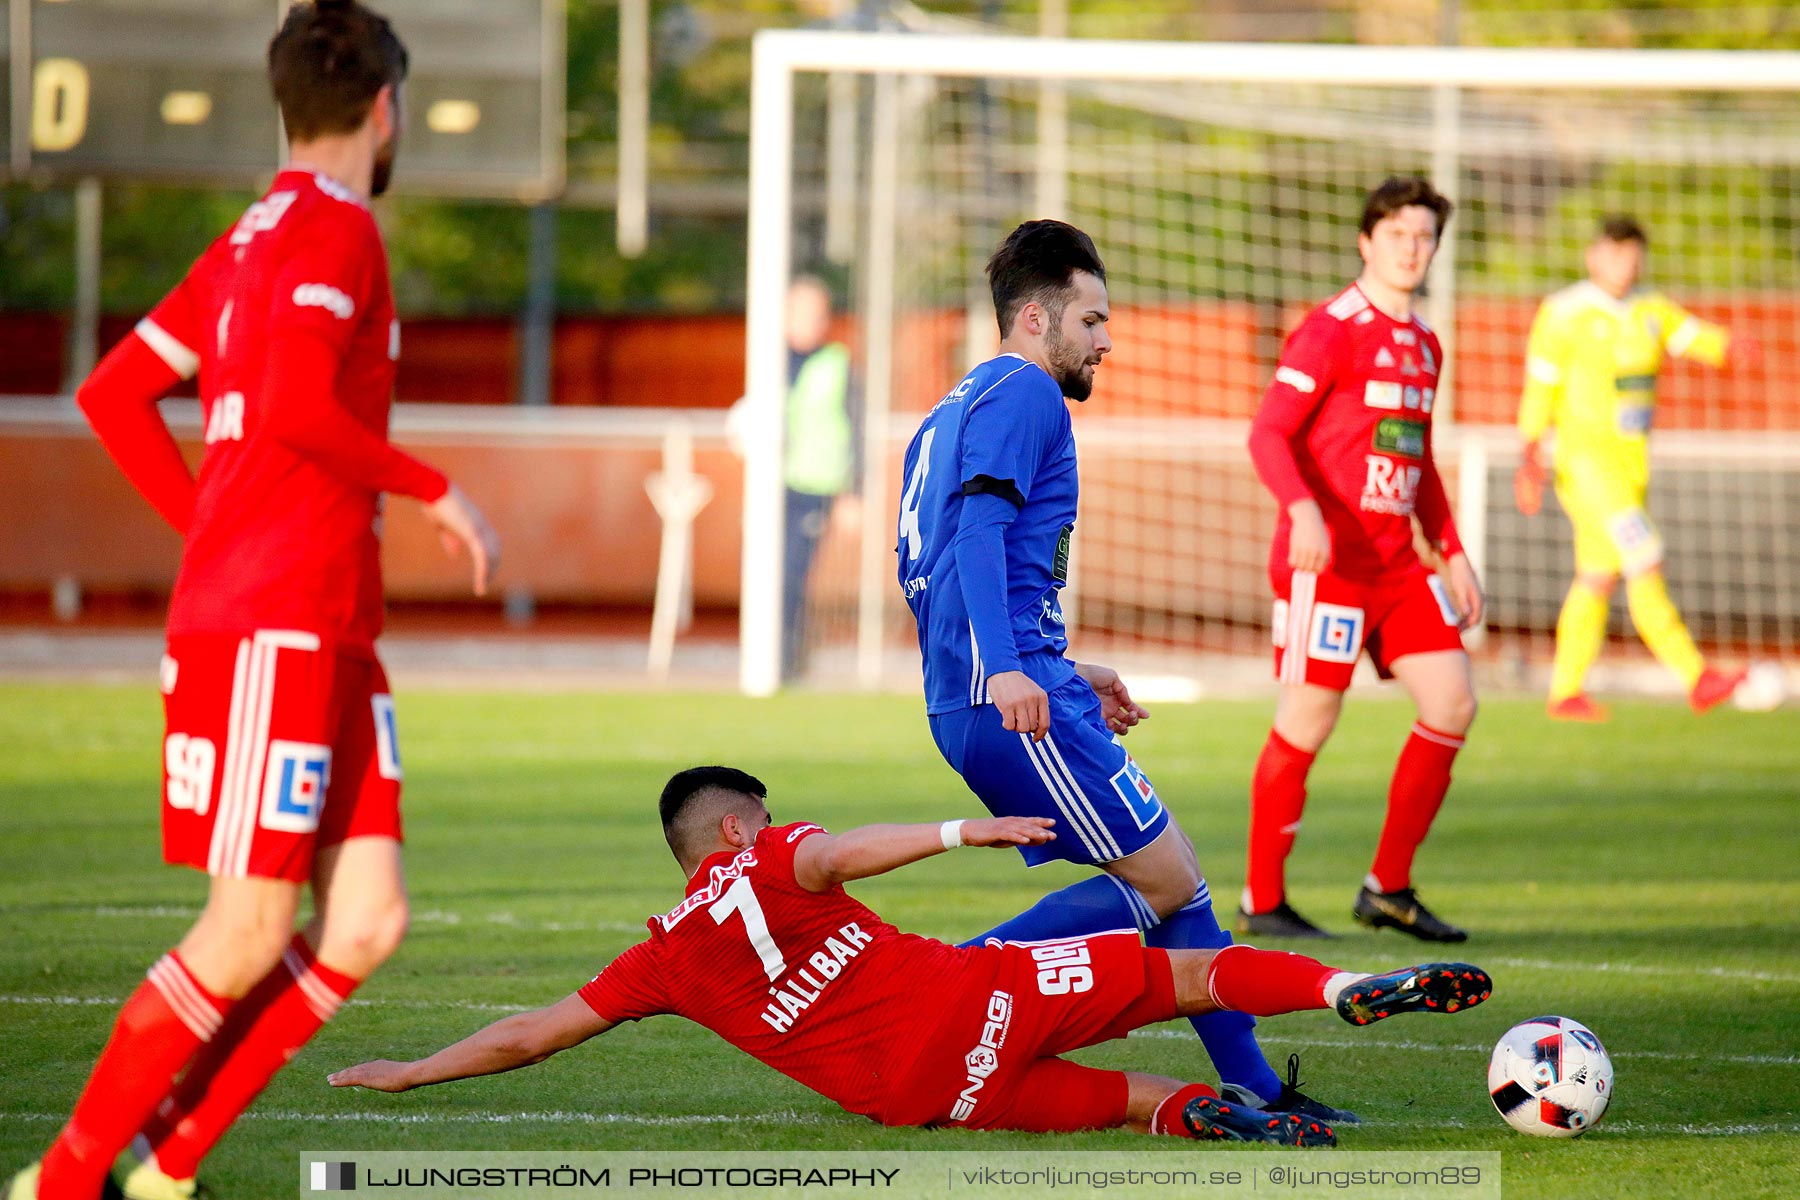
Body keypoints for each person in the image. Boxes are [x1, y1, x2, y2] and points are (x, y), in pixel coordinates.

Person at [7, 5, 500, 1199]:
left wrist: (209, 535)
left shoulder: (246, 237)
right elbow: (287, 406)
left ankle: (166, 1169)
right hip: (276, 619)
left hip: (313, 612)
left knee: (365, 920)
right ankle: (66, 1181)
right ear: (385, 111)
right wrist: (434, 486)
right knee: (244, 932)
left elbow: (117, 393)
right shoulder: (337, 231)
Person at [329, 766, 1493, 1144]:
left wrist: (413, 1072)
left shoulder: (660, 961)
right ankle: (1342, 989)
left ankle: (1212, 1118)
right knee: (1188, 971)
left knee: (1134, 1104)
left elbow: (536, 1033)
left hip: (918, 1093)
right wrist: (959, 831)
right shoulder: (766, 856)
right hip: (973, 994)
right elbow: (837, 857)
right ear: (732, 831)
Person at [894, 219, 1351, 1124]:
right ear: (1035, 318)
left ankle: (1254, 1086)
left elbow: (934, 571)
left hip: (1006, 684)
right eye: (1093, 319)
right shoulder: (1027, 395)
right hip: (1009, 696)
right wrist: (1008, 670)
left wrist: (1054, 662)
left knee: (1175, 870)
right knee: (1168, 883)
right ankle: (933, 1003)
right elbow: (977, 538)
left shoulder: (953, 407)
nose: (1108, 340)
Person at [1240, 177, 1482, 945]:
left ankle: (1389, 887)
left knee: (1452, 701)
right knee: (1309, 718)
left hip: (1395, 568)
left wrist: (1451, 551)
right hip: (1329, 567)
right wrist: (1303, 510)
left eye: (1424, 237)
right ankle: (1261, 899)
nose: (1413, 249)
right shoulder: (1330, 330)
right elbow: (1267, 436)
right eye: (1399, 235)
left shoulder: (1426, 345)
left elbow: (1420, 461)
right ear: (1366, 241)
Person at [1513, 215, 1755, 721]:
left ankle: (1565, 692)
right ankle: (1697, 676)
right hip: (1584, 464)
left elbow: (1695, 338)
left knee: (1598, 576)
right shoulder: (1564, 312)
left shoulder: (1651, 307)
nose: (1625, 264)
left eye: (1633, 254)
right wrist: (1529, 450)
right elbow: (1541, 383)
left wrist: (1731, 346)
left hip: (1631, 466)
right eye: (1615, 253)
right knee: (1644, 555)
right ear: (1592, 256)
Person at [779, 275, 860, 681]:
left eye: (816, 313)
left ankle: (791, 662)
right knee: (773, 573)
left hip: (815, 486)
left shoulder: (838, 363)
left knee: (794, 572)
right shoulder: (770, 360)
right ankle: (778, 654)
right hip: (773, 486)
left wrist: (853, 492)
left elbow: (855, 428)